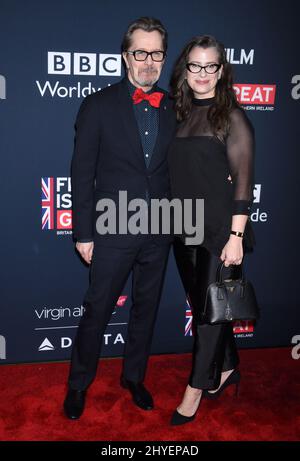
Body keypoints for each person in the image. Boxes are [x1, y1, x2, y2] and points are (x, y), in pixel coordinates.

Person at [63, 16, 176, 420]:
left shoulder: (173, 107)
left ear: (164, 57)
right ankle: (78, 384)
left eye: (156, 53)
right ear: (125, 56)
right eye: (140, 52)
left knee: (146, 307)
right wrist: (83, 232)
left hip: (160, 226)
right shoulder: (97, 105)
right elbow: (81, 172)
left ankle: (134, 376)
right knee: (98, 309)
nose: (148, 61)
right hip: (111, 226)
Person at [168, 35, 255, 425]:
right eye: (194, 66)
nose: (202, 74)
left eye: (210, 66)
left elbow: (242, 183)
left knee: (206, 317)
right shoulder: (180, 113)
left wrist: (236, 238)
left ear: (221, 70)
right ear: (185, 69)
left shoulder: (232, 116)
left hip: (220, 231)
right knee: (210, 306)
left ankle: (196, 387)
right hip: (182, 227)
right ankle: (228, 365)